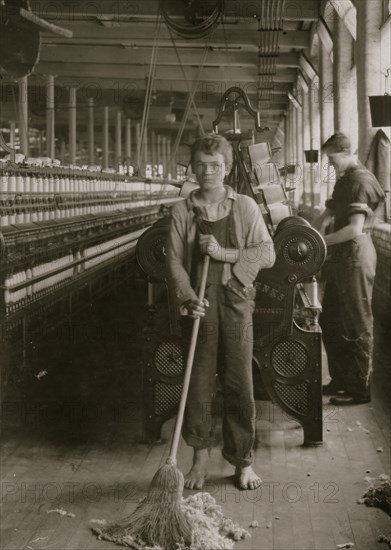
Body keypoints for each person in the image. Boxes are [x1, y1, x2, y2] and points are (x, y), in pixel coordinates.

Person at [165, 133, 275, 490]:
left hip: (236, 300)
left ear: (227, 169)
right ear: (191, 168)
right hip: (200, 307)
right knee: (198, 384)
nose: (208, 172)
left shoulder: (244, 206)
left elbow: (267, 253)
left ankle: (243, 460)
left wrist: (226, 253)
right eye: (201, 165)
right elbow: (173, 262)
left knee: (239, 382)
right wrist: (186, 297)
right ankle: (198, 461)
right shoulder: (181, 210)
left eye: (215, 165)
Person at [314, 133, 385, 406]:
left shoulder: (360, 181)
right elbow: (328, 214)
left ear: (346, 152)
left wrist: (319, 241)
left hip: (356, 254)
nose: (330, 165)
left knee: (355, 320)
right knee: (330, 319)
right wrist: (308, 229)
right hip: (341, 257)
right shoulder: (345, 180)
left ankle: (359, 389)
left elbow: (354, 229)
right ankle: (341, 380)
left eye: (332, 159)